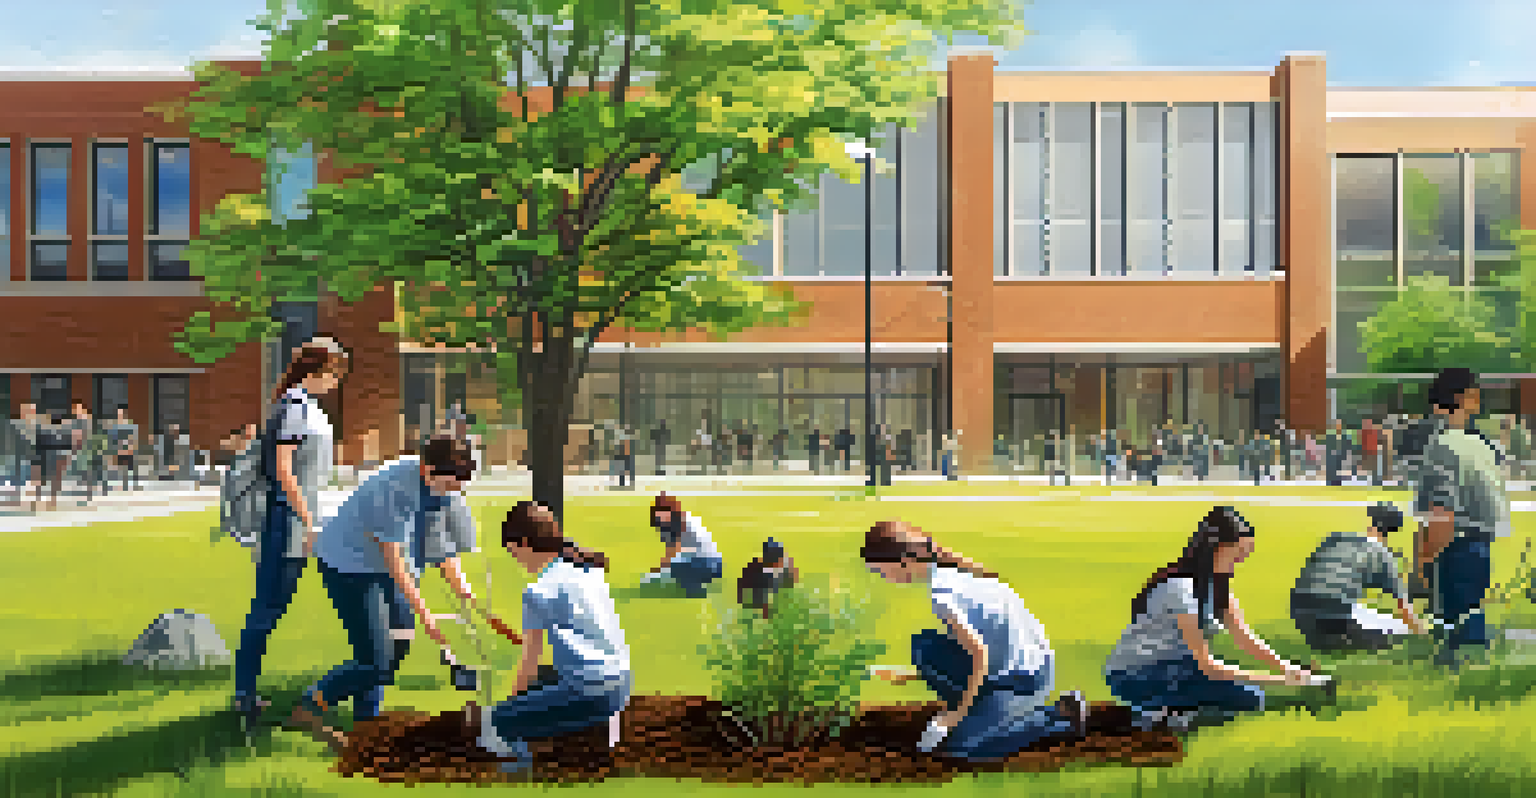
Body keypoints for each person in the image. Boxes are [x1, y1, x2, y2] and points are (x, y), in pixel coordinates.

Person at [289, 436, 510, 751]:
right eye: (450, 484)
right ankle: (310, 705)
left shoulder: (443, 489)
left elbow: (442, 549)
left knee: (397, 647)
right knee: (375, 661)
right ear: (427, 469)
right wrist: (427, 617)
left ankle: (366, 724)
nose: (455, 492)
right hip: (350, 567)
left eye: (460, 485)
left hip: (390, 567)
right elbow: (393, 560)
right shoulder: (392, 488)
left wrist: (468, 597)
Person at [862, 520, 1088, 760]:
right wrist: (912, 675)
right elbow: (978, 646)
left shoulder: (943, 595)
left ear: (904, 562)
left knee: (964, 750)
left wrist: (954, 717)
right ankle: (983, 711)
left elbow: (980, 654)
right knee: (924, 646)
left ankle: (1058, 717)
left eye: (881, 570)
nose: (883, 577)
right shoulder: (959, 575)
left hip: (1023, 682)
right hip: (1026, 666)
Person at [1104, 506, 1318, 732]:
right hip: (1136, 674)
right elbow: (1208, 666)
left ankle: (1165, 713)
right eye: (1237, 555)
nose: (1239, 563)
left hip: (1180, 669)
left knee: (1251, 699)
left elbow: (1245, 639)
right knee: (1248, 699)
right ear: (1216, 548)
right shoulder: (1181, 587)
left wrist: (1288, 669)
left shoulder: (1218, 589)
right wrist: (1279, 680)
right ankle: (1154, 718)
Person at [234, 336, 348, 723]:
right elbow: (284, 468)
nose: (337, 382)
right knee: (268, 607)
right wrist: (308, 519)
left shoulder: (306, 407)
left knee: (273, 606)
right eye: (335, 374)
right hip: (289, 519)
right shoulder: (295, 408)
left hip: (303, 517)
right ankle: (244, 695)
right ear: (319, 370)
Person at [472, 501, 631, 775]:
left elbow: (529, 661)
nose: (516, 561)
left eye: (513, 552)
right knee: (545, 682)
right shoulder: (587, 569)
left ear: (522, 543)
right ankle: (602, 729)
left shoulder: (538, 591)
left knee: (496, 722)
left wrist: (509, 707)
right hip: (621, 684)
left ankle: (519, 773)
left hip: (589, 691)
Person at [1415, 368, 1510, 664]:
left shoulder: (1442, 446)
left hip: (1455, 545)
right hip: (1481, 542)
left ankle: (1456, 671)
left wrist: (1425, 558)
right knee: (1471, 613)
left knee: (1452, 626)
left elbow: (1443, 508)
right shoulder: (1482, 445)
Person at [1291, 502, 1427, 653]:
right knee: (1396, 634)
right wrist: (1421, 633)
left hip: (1300, 614)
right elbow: (1403, 607)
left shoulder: (1337, 539)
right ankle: (1342, 638)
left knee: (1357, 609)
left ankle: (1331, 637)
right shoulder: (1383, 556)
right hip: (1334, 618)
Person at [640, 493, 724, 598]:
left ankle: (695, 590)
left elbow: (675, 551)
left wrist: (660, 572)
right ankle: (692, 584)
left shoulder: (683, 522)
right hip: (701, 561)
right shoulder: (669, 525)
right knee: (675, 565)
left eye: (664, 512)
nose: (661, 517)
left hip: (711, 563)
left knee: (676, 566)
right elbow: (670, 552)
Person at [738, 538, 799, 618]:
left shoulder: (755, 566)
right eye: (781, 559)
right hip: (755, 608)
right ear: (775, 562)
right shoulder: (763, 576)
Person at [106, 405, 140, 493]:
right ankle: (122, 485)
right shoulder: (114, 427)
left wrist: (131, 447)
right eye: (118, 414)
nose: (120, 415)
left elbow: (133, 439)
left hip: (128, 450)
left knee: (130, 468)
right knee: (120, 469)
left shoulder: (131, 426)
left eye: (121, 413)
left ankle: (133, 485)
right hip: (119, 451)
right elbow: (112, 441)